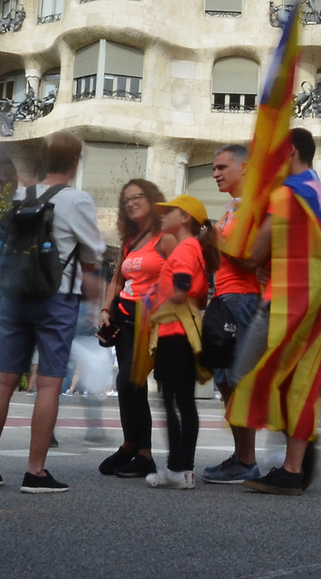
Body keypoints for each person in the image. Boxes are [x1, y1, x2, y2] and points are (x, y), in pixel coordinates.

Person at [0, 132, 105, 494]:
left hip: (14, 296)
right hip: (56, 297)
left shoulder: (21, 196)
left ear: (43, 160)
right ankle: (35, 471)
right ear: (75, 162)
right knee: (49, 381)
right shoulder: (77, 200)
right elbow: (92, 254)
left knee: (4, 378)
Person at [230, 127, 321, 496]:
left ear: (291, 151)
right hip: (314, 295)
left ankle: (290, 461)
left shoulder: (288, 193)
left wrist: (214, 238)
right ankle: (294, 460)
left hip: (287, 298)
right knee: (294, 378)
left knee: (253, 375)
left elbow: (250, 252)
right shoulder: (314, 189)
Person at [201, 144, 266, 485]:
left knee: (236, 379)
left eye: (222, 167)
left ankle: (247, 459)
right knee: (225, 380)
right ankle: (241, 457)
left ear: (244, 168)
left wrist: (215, 241)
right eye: (213, 168)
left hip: (243, 299)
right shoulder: (231, 210)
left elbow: (252, 259)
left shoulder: (253, 209)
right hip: (226, 296)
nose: (215, 173)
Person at [95, 178, 166, 479]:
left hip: (150, 318)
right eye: (126, 200)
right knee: (130, 388)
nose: (132, 203)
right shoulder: (130, 240)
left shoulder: (165, 237)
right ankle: (132, 448)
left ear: (152, 200)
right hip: (123, 316)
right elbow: (117, 280)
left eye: (138, 197)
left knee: (128, 382)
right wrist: (105, 309)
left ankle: (142, 453)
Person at [143, 194, 212, 489]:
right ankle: (186, 470)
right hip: (187, 333)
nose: (162, 215)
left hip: (174, 333)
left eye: (168, 211)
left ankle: (174, 468)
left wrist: (162, 304)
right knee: (185, 401)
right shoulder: (195, 247)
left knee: (168, 399)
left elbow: (182, 287)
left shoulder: (184, 248)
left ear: (185, 218)